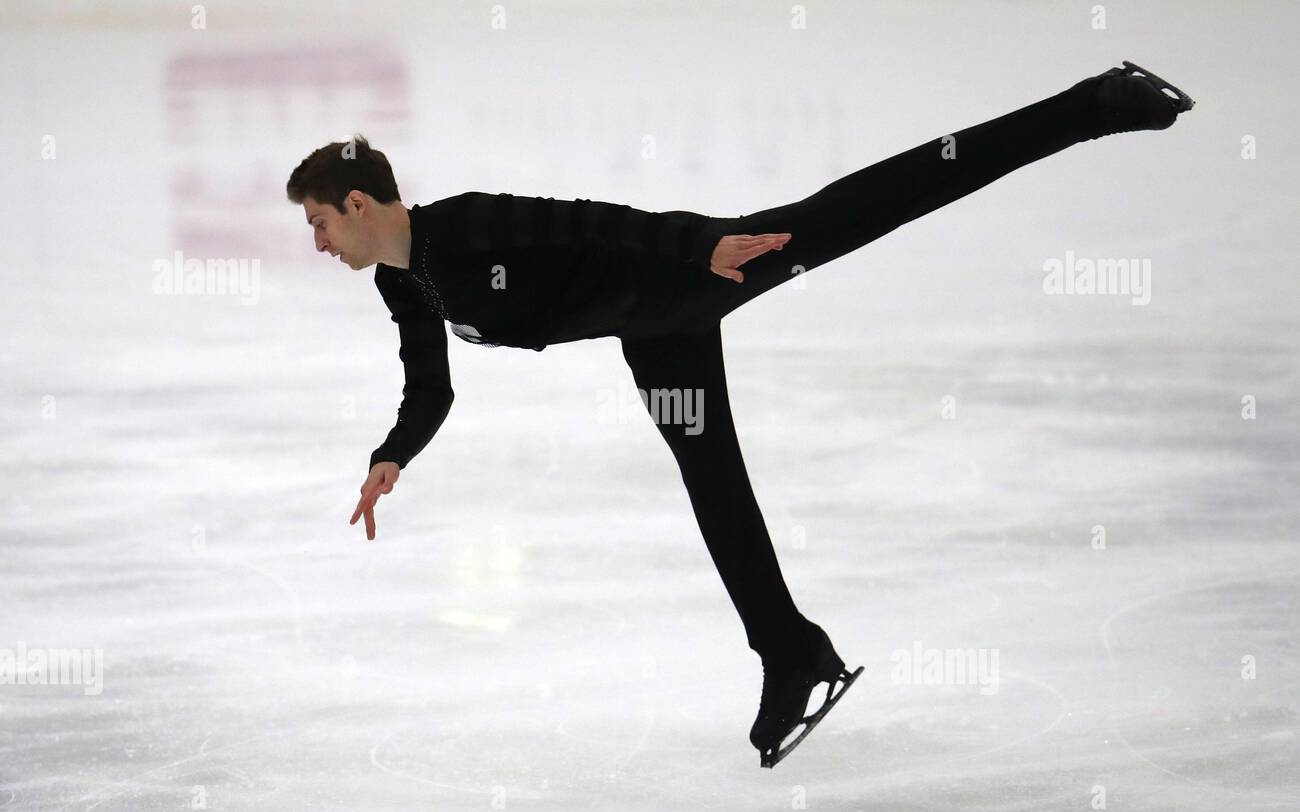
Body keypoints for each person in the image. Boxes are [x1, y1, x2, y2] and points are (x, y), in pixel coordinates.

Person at [285, 61, 1193, 766]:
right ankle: (791, 655)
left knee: (859, 209)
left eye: (320, 222)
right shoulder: (406, 286)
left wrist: (706, 244)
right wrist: (393, 453)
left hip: (691, 273)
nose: (318, 243)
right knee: (716, 492)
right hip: (655, 334)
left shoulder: (470, 223)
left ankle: (1095, 105)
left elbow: (594, 220)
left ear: (358, 204)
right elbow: (431, 387)